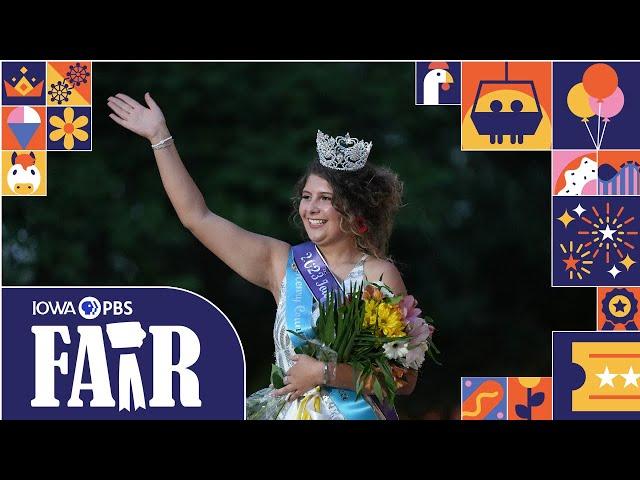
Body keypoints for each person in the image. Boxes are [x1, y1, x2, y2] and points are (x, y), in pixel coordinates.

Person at [107, 92, 418, 419]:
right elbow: (196, 217)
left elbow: (404, 378)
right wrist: (159, 137)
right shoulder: (281, 263)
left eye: (325, 198)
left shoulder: (378, 275)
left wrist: (325, 373)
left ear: (355, 210)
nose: (311, 208)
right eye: (307, 196)